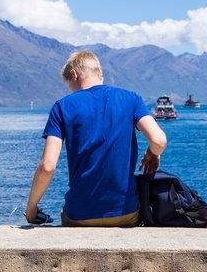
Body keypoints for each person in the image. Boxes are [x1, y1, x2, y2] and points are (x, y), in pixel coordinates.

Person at [25, 50, 167, 226]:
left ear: (74, 74)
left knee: (66, 214)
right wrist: (152, 154)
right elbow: (159, 140)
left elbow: (47, 167)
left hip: (79, 216)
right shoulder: (131, 99)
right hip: (125, 214)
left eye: (70, 85)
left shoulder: (62, 107)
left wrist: (31, 208)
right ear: (100, 74)